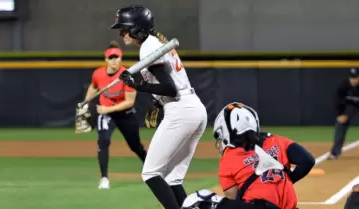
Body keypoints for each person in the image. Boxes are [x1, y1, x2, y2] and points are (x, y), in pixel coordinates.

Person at [109, 5, 208, 209]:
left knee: (150, 173)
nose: (121, 33)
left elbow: (170, 88)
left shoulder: (149, 47)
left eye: (124, 28)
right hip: (193, 109)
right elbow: (172, 84)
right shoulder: (156, 43)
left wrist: (138, 85)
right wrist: (156, 102)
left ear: (137, 28)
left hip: (180, 110)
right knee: (172, 178)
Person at [181, 102, 315, 209]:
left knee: (200, 199)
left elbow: (235, 198)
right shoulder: (277, 141)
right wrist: (284, 181)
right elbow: (307, 160)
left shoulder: (228, 159)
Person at [79, 40, 147, 189]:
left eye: (117, 57)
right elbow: (93, 86)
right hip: (107, 115)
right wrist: (85, 102)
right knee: (103, 142)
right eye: (111, 57)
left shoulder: (127, 76)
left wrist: (106, 110)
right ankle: (104, 178)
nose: (114, 60)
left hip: (125, 114)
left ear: (121, 58)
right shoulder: (98, 74)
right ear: (106, 59)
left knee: (135, 146)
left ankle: (151, 170)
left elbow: (130, 102)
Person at [329, 68, 359, 160]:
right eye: (352, 78)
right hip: (350, 106)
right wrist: (340, 115)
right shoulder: (343, 86)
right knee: (341, 123)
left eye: (356, 78)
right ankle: (335, 153)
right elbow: (337, 101)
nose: (354, 80)